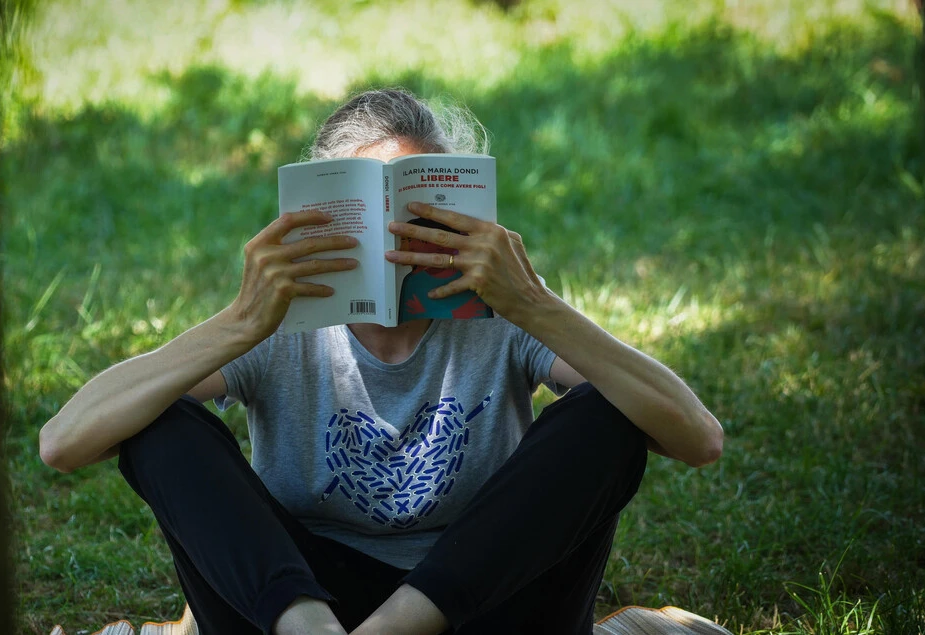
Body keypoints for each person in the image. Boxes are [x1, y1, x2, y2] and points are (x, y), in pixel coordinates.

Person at [38, 88, 724, 635]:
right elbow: (62, 443)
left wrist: (535, 304)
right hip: (308, 608)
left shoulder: (502, 310)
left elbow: (698, 439)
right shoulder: (285, 323)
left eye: (424, 216)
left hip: (483, 605)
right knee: (161, 419)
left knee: (607, 409)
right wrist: (239, 322)